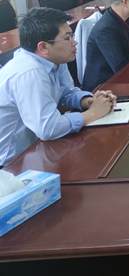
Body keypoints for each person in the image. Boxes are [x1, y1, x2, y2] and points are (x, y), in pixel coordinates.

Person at [0, 8, 115, 166]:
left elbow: (65, 93)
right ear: (43, 47)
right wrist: (93, 113)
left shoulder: (53, 59)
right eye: (67, 38)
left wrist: (88, 101)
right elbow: (48, 128)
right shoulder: (29, 72)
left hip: (35, 147)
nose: (74, 42)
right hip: (11, 163)